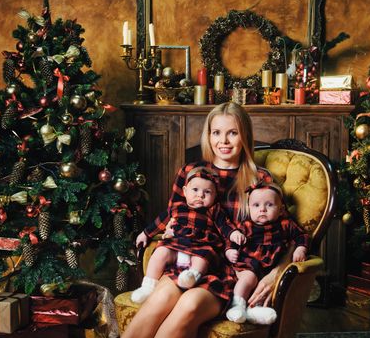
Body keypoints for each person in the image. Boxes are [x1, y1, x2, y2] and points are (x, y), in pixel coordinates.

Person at [122, 103, 278, 338]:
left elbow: (283, 234)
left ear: (245, 135)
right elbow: (173, 217)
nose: (223, 141)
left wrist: (274, 273)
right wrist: (168, 235)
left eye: (232, 133)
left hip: (230, 273)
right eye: (217, 133)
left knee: (189, 305)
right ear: (208, 136)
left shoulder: (260, 179)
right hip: (187, 260)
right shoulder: (191, 172)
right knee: (160, 299)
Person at [131, 166, 245, 303]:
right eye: (195, 190)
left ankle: (191, 277)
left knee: (204, 258)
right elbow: (160, 221)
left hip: (201, 246)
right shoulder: (177, 207)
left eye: (207, 192)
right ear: (185, 191)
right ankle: (148, 286)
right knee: (160, 252)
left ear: (215, 196)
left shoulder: (214, 210)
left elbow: (224, 225)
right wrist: (145, 234)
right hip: (177, 243)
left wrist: (234, 233)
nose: (200, 195)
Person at [225, 181, 309, 324]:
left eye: (269, 205)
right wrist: (230, 250)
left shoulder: (285, 224)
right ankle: (237, 306)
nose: (262, 209)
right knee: (248, 279)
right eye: (256, 205)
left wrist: (301, 248)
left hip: (271, 267)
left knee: (266, 288)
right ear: (249, 208)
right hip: (248, 263)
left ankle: (255, 310)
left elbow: (302, 236)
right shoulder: (246, 225)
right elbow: (232, 240)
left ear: (281, 209)